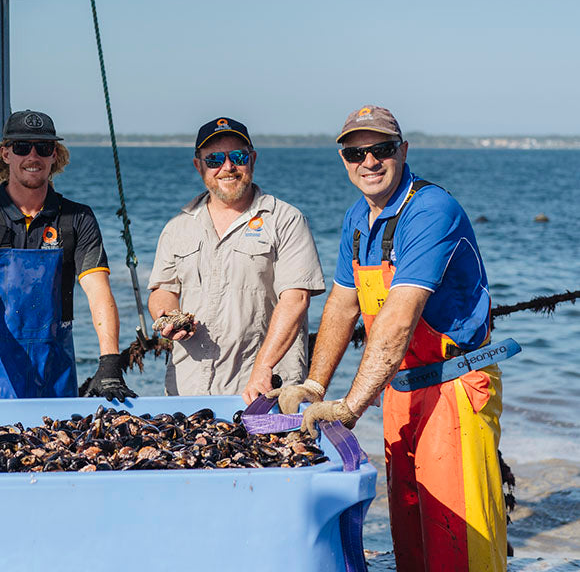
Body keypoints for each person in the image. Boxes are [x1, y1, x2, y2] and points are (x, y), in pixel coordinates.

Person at [272, 105, 506, 571]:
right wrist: (316, 386)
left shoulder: (431, 209)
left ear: (402, 150)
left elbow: (398, 319)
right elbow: (342, 305)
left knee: (459, 541)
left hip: (454, 388)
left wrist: (349, 406)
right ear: (343, 159)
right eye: (355, 152)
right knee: (411, 537)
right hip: (399, 390)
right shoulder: (357, 219)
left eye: (380, 149)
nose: (369, 161)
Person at [0, 109, 136, 423]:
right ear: (5, 153)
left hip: (55, 367)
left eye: (43, 148)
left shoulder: (76, 219)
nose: (33, 156)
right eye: (22, 146)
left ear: (55, 155)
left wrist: (109, 362)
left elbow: (99, 293)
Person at [147, 117, 325, 401]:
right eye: (214, 159)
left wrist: (263, 367)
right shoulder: (177, 227)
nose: (227, 167)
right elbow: (163, 290)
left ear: (252, 159)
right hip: (188, 386)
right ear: (199, 166)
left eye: (238, 157)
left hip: (264, 388)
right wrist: (167, 316)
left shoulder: (286, 220)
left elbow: (297, 300)